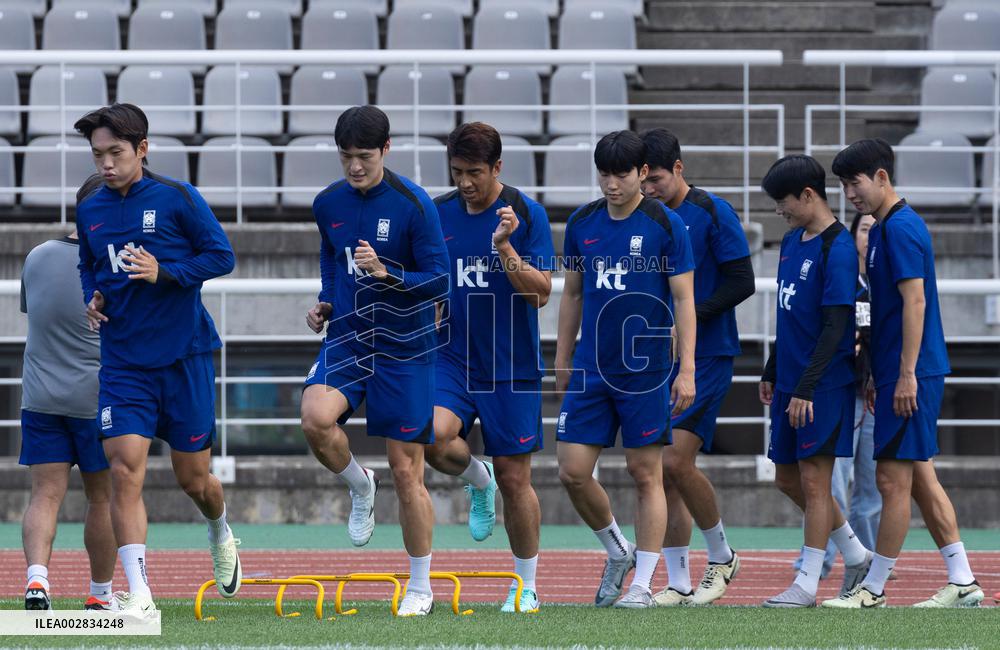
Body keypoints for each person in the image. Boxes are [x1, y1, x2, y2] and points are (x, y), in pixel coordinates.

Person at [75, 104, 240, 615]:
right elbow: (88, 264)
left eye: (115, 153)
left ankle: (219, 528)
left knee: (196, 481)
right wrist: (94, 296)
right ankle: (141, 595)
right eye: (98, 154)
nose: (105, 164)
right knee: (124, 470)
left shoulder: (177, 198)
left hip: (184, 357)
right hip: (124, 362)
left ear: (142, 150)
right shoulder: (89, 208)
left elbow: (222, 256)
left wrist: (164, 271)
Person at [300, 105, 450, 617]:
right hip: (348, 338)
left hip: (405, 346)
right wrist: (327, 298)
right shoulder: (327, 202)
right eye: (346, 158)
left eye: (364, 157)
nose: (355, 167)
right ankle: (360, 485)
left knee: (408, 471)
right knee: (315, 420)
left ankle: (421, 586)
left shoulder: (414, 205)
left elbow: (439, 281)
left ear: (386, 150)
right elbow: (329, 253)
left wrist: (388, 275)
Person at [823, 138, 983, 608]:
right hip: (897, 372)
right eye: (844, 185)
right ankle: (963, 579)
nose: (850, 193)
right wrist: (878, 375)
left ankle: (871, 589)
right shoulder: (884, 228)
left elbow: (916, 301)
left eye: (854, 183)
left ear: (881, 178)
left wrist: (906, 374)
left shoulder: (900, 229)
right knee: (921, 478)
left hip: (912, 373)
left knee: (893, 482)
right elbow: (889, 313)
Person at [555, 130, 696, 609]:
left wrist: (687, 368)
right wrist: (562, 355)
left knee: (644, 473)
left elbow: (684, 298)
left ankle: (642, 586)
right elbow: (572, 293)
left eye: (621, 174)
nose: (612, 184)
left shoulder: (666, 223)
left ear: (642, 174)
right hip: (593, 367)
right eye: (604, 174)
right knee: (572, 470)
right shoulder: (581, 222)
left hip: (646, 369)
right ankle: (619, 550)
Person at [429, 122, 555, 612]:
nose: (465, 183)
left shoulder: (526, 214)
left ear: (497, 168)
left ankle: (525, 585)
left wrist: (504, 246)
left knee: (516, 479)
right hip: (452, 357)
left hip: (511, 364)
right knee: (432, 437)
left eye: (475, 173)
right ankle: (476, 479)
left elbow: (540, 292)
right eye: (457, 172)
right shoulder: (436, 213)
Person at [639, 128, 754, 606]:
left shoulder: (712, 212)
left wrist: (688, 319)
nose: (650, 190)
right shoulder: (639, 214)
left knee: (673, 460)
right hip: (654, 358)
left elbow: (742, 281)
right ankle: (680, 581)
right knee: (663, 471)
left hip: (706, 354)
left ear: (679, 170)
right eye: (643, 181)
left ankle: (723, 555)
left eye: (658, 180)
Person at [757, 154, 873, 608]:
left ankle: (807, 580)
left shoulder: (837, 247)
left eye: (783, 202)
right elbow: (788, 315)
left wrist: (805, 386)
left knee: (813, 481)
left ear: (808, 195)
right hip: (789, 380)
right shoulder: (790, 240)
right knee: (786, 478)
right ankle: (854, 552)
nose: (779, 210)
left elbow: (836, 327)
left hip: (821, 385)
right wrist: (772, 367)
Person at [20, 176, 116, 611]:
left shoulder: (36, 256)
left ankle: (37, 581)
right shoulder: (111, 266)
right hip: (96, 400)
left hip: (39, 398)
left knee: (44, 494)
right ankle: (99, 595)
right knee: (102, 497)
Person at [793, 212, 882, 579]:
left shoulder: (885, 282)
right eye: (863, 228)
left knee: (872, 489)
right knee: (832, 484)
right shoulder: (844, 276)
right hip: (844, 392)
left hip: (876, 395)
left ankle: (867, 561)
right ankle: (822, 560)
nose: (869, 236)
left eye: (875, 230)